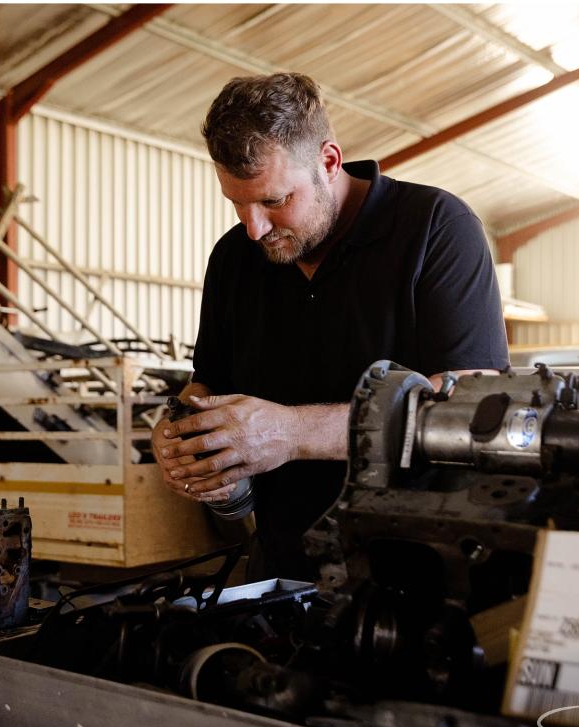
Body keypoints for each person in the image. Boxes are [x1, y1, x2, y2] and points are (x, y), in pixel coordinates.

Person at [152, 73, 509, 580]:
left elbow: (474, 406)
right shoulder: (234, 258)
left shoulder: (435, 227)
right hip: (280, 571)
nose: (254, 227)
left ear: (329, 161)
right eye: (237, 202)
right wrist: (178, 441)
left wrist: (291, 432)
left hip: (419, 573)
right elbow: (207, 383)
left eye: (274, 201)